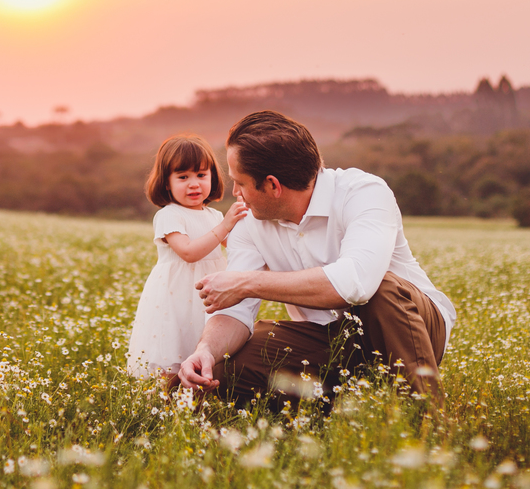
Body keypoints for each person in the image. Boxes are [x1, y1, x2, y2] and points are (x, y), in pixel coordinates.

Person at [177, 111, 456, 407]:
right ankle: (332, 411)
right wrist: (206, 350)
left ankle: (426, 419)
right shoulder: (248, 222)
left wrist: (247, 283)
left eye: (240, 183)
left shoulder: (363, 192)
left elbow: (356, 285)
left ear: (273, 185)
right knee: (225, 367)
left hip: (409, 328)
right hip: (326, 339)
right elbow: (236, 311)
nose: (235, 193)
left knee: (382, 290)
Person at [126, 134, 248, 380]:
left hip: (208, 293)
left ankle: (197, 408)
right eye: (183, 177)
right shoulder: (169, 215)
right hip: (177, 296)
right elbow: (189, 252)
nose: (194, 184)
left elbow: (236, 247)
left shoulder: (213, 215)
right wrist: (225, 225)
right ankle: (164, 409)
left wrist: (247, 217)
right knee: (173, 354)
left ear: (213, 177)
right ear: (166, 183)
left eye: (201, 175)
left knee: (205, 350)